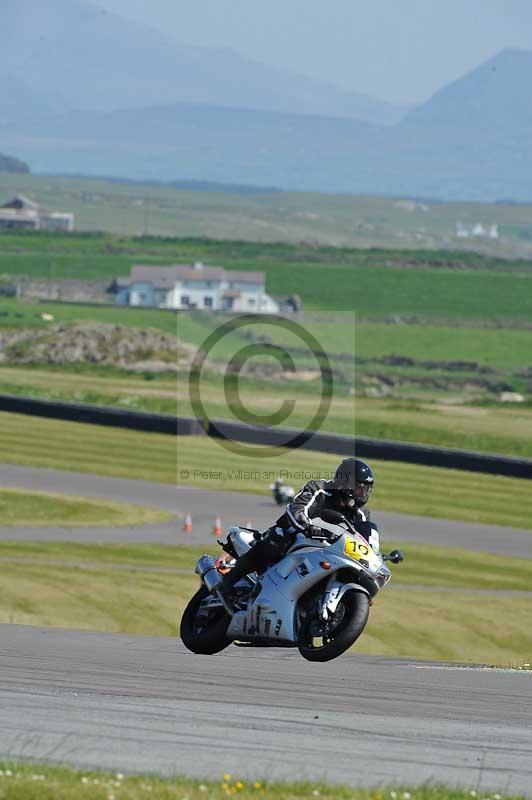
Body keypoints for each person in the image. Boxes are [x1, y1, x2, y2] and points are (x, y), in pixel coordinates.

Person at [217, 457, 380, 612]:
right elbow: (297, 509)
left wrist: (374, 556)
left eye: (366, 489)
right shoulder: (320, 489)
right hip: (297, 536)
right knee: (278, 539)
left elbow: (363, 540)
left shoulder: (361, 514)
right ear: (345, 484)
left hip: (326, 551)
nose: (362, 494)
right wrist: (307, 526)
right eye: (359, 488)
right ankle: (228, 581)